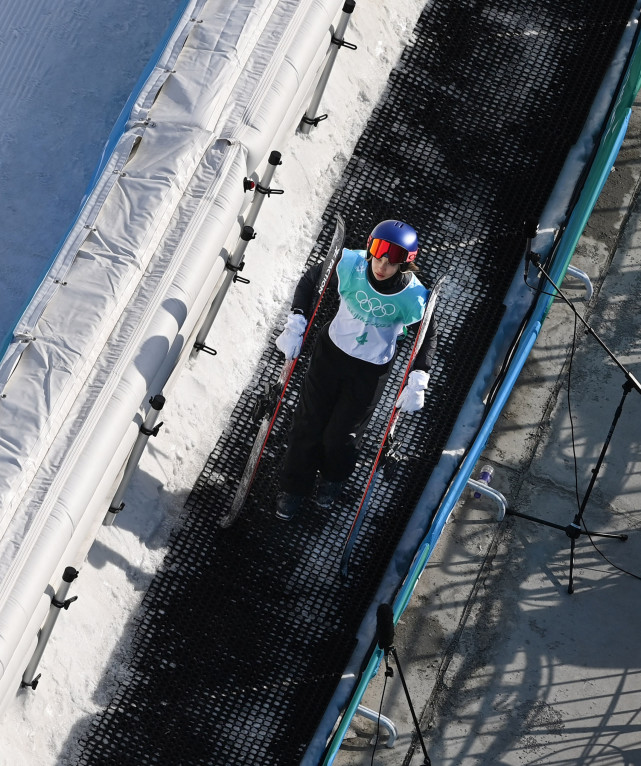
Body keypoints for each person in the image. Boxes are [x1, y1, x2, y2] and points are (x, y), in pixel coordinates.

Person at [274, 219, 437, 520]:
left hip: (370, 370)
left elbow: (426, 334)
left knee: (341, 435)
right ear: (370, 248)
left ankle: (332, 479)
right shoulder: (350, 266)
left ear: (406, 264)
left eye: (393, 260)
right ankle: (294, 487)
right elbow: (311, 281)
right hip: (331, 354)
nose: (382, 265)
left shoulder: (412, 297)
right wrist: (296, 322)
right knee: (308, 423)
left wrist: (419, 377)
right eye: (378, 252)